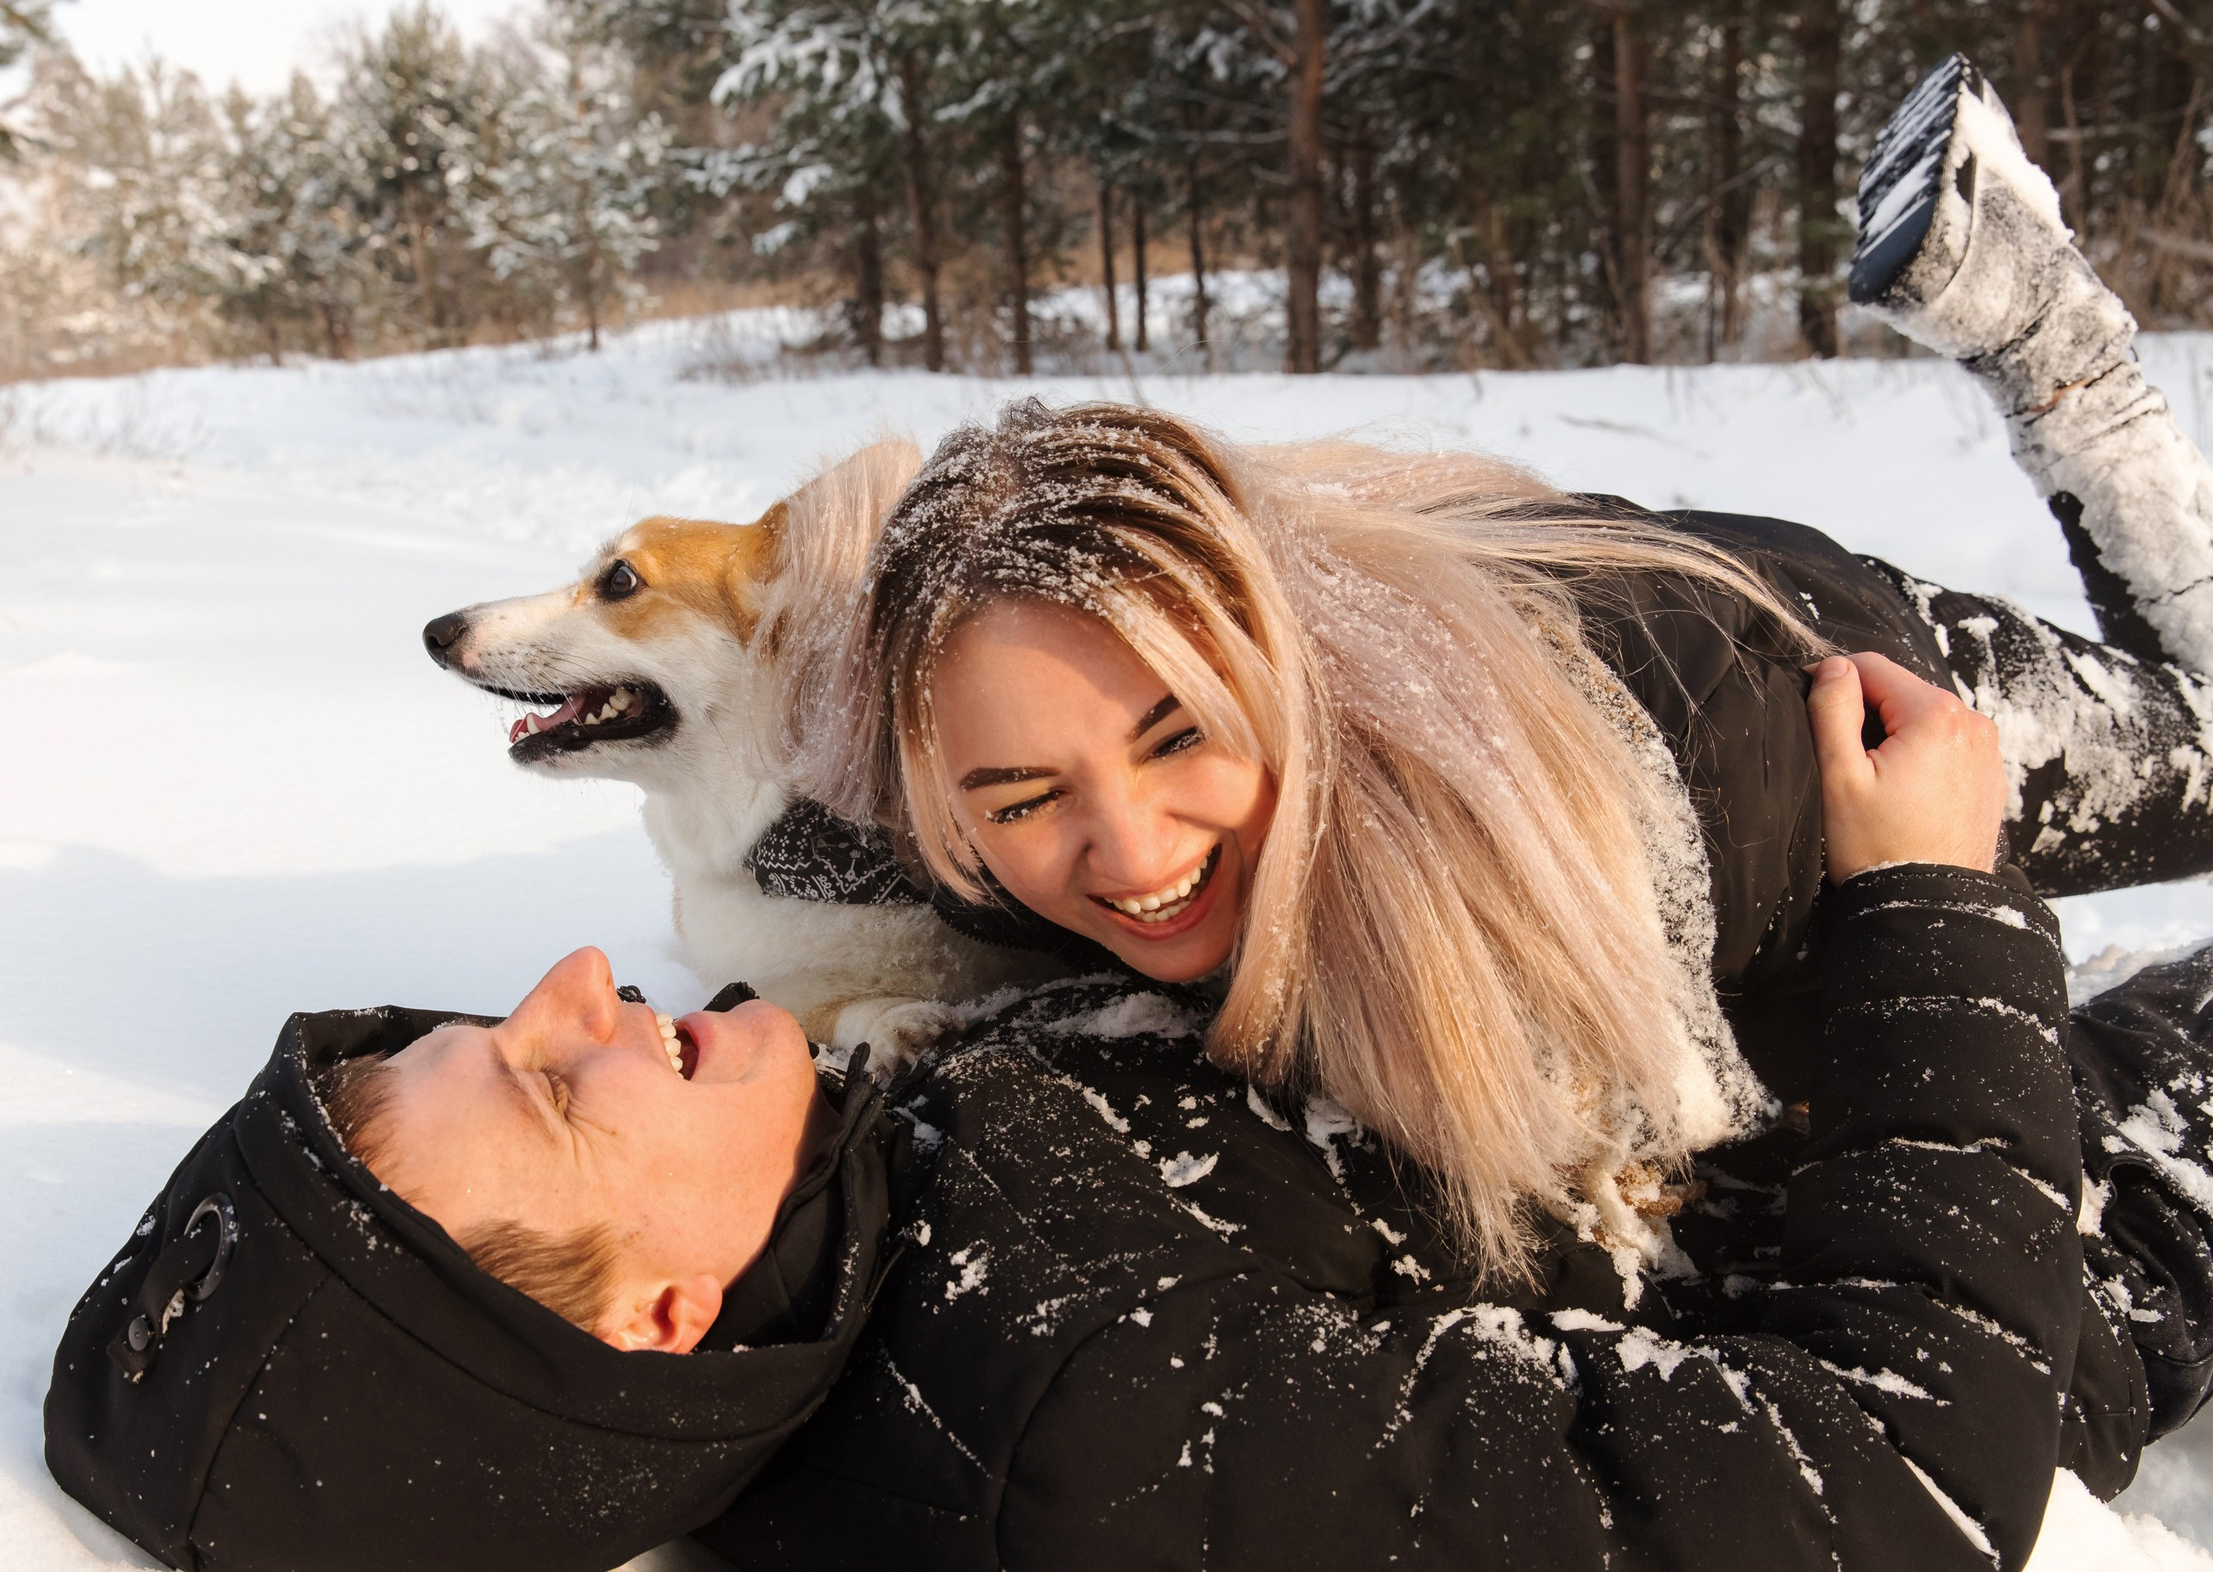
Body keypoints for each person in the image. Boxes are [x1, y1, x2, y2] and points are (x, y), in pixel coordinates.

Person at [48, 648, 2124, 1572]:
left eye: (491, 1018)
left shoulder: (814, 1218)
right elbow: (1896, 1487)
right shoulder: (1101, 1444)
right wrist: (1926, 914)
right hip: (2014, 1223)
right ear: (649, 1323)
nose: (582, 980)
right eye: (558, 1085)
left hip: (1722, 1076)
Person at [763, 58, 2213, 1483]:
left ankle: (2057, 351)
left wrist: (1927, 894)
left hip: (1822, 690)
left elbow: (1780, 1209)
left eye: (1180, 735)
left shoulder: (1674, 813)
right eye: (1022, 799)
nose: (1131, 853)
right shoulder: (942, 810)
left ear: (1281, 672)